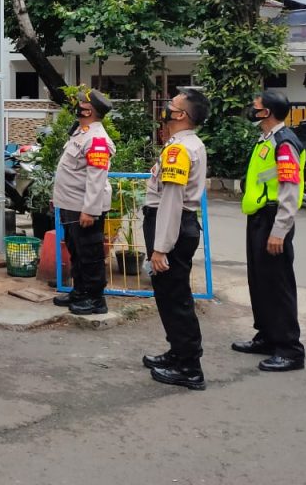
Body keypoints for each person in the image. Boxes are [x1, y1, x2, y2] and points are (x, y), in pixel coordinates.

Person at [141, 88, 211, 391]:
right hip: (175, 225)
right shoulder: (182, 145)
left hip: (171, 226)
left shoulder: (178, 151)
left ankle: (189, 367)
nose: (166, 108)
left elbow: (171, 201)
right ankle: (177, 353)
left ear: (181, 115)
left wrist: (160, 248)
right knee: (168, 296)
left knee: (176, 297)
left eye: (171, 105)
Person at [232, 90, 306, 372]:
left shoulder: (284, 143)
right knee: (260, 280)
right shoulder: (267, 139)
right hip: (260, 218)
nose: (252, 109)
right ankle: (266, 335)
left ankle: (289, 349)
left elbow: (289, 190)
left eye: (256, 107)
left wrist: (280, 231)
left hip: (274, 219)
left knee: (278, 285)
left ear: (268, 112)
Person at [52, 89, 115, 315]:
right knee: (76, 250)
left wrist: (90, 211)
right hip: (71, 203)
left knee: (90, 254)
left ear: (88, 110)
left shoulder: (96, 139)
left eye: (80, 103)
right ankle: (80, 291)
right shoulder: (82, 132)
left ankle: (96, 299)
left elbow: (96, 178)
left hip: (84, 207)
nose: (76, 105)